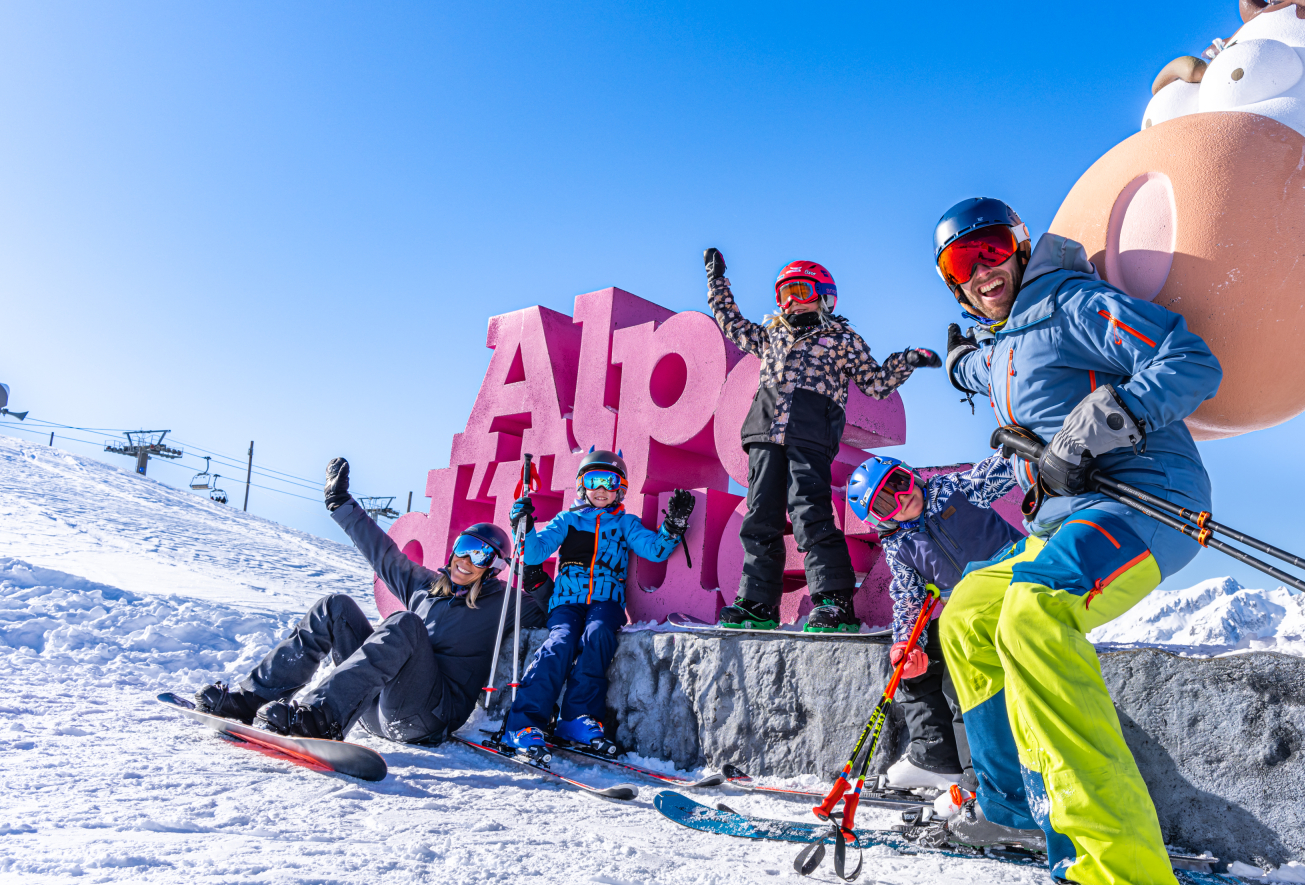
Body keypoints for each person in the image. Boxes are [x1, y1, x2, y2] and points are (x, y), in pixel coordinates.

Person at [935, 198, 1223, 885]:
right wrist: (953, 367)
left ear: (1021, 247)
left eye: (993, 247)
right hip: (1064, 519)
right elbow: (985, 369)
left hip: (1145, 498)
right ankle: (1009, 806)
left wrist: (1102, 421)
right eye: (961, 261)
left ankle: (1117, 867)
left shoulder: (1072, 303)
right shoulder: (1002, 342)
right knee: (971, 611)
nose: (983, 269)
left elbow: (1190, 360)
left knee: (1034, 616)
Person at [193, 458, 553, 744]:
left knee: (405, 623)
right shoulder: (425, 585)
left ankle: (320, 717)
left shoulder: (503, 604)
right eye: (464, 548)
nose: (467, 560)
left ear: (493, 567)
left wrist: (531, 555)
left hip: (426, 715)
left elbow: (548, 605)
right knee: (335, 607)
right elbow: (383, 553)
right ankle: (249, 700)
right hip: (371, 706)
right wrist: (340, 504)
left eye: (481, 555)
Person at [704, 248, 942, 632]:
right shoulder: (771, 335)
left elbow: (874, 382)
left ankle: (833, 601)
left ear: (824, 296)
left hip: (810, 433)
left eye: (800, 290)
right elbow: (731, 323)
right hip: (765, 432)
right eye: (784, 294)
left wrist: (906, 361)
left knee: (809, 513)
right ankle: (756, 603)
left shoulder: (841, 338)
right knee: (760, 516)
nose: (791, 302)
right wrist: (718, 282)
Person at [844, 452, 1020, 792]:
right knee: (928, 661)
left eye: (899, 482)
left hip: (1017, 584)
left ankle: (981, 781)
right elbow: (909, 598)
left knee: (964, 679)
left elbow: (998, 472)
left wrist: (1022, 453)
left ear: (912, 475)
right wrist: (906, 643)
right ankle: (940, 758)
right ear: (878, 520)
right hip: (973, 613)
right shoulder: (900, 545)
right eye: (884, 502)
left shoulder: (951, 491)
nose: (901, 496)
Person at [500, 449, 693, 758]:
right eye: (594, 481)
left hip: (606, 602)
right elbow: (534, 555)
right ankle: (523, 722)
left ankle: (577, 718)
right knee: (560, 642)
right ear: (582, 486)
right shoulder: (568, 520)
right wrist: (521, 524)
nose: (601, 489)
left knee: (599, 634)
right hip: (566, 602)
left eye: (609, 481)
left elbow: (655, 549)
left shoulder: (625, 524)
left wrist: (674, 526)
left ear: (620, 488)